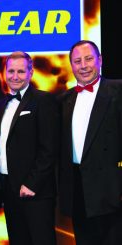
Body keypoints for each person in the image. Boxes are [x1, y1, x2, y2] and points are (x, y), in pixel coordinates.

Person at [58, 40, 122, 245]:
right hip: (78, 192)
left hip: (112, 192)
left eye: (88, 59)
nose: (83, 65)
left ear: (100, 60)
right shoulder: (62, 100)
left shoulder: (118, 90)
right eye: (77, 61)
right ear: (71, 65)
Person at [0, 51, 59, 245]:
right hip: (9, 189)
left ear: (31, 73)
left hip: (35, 192)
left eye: (21, 71)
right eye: (11, 71)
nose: (15, 76)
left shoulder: (43, 100)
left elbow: (49, 148)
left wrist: (32, 184)